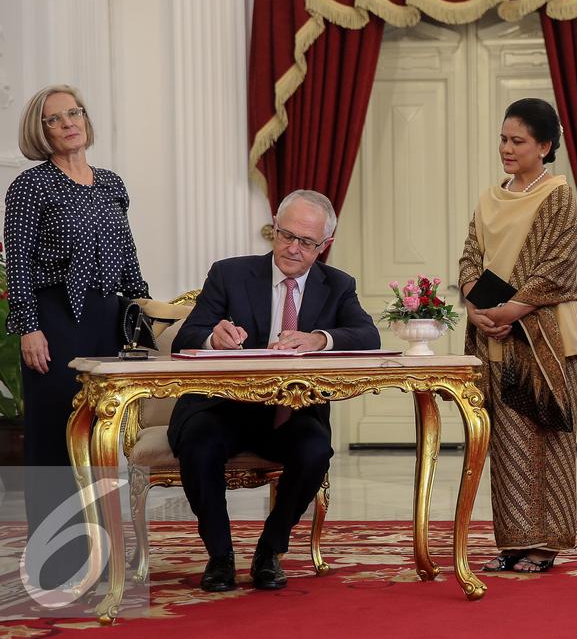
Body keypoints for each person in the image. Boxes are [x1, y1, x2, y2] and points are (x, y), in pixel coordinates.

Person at [169, 189, 380, 592]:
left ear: (324, 246)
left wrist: (319, 338)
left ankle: (270, 549)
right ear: (274, 231)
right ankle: (219, 555)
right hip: (221, 408)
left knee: (315, 449)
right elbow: (186, 338)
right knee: (199, 444)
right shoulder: (229, 273)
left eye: (306, 241)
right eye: (285, 235)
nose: (293, 248)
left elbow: (368, 335)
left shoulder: (337, 286)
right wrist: (214, 337)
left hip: (289, 415)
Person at [6, 84, 149, 586]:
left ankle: (102, 559)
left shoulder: (111, 183)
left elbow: (128, 259)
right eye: (55, 119)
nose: (69, 123)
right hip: (53, 322)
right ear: (39, 131)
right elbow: (17, 263)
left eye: (75, 113)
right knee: (54, 440)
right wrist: (28, 327)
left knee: (99, 440)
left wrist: (144, 318)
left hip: (106, 321)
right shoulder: (30, 187)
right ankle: (54, 565)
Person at [458, 97, 577, 574]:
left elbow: (555, 265)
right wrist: (476, 307)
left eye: (518, 141)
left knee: (543, 439)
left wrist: (509, 310)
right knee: (507, 443)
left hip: (543, 337)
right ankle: (512, 543)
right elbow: (470, 257)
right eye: (503, 140)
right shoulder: (491, 196)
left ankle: (544, 545)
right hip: (495, 335)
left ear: (545, 146)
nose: (507, 149)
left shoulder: (558, 194)